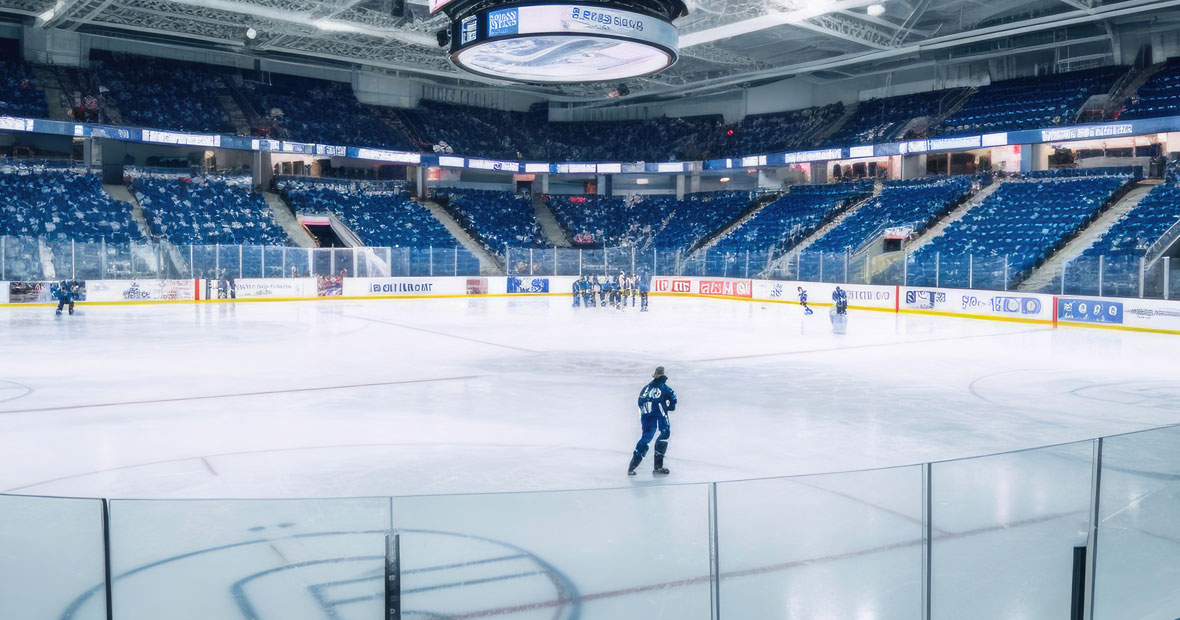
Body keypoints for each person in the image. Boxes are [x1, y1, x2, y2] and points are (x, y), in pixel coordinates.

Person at [628, 366, 677, 476]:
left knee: (646, 438)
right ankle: (658, 467)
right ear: (663, 376)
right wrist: (665, 407)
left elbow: (640, 402)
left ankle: (632, 467)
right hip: (660, 415)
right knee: (665, 434)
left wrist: (645, 414)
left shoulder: (646, 388)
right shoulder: (667, 389)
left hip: (647, 416)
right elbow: (673, 405)